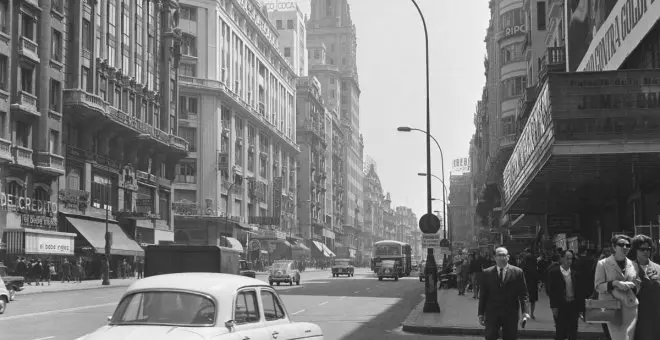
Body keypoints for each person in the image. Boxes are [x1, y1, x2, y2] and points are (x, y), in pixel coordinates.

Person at [478, 246, 531, 340]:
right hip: (492, 313)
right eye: (499, 255)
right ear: (494, 257)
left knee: (510, 337)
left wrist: (525, 312)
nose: (501, 258)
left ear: (508, 257)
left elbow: (523, 293)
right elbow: (483, 295)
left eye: (504, 255)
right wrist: (481, 313)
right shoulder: (487, 273)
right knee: (490, 337)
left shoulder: (518, 272)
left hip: (510, 313)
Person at [594, 234, 639, 340]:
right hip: (611, 307)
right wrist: (614, 283)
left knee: (628, 337)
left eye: (628, 245)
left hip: (630, 307)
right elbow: (598, 286)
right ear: (614, 247)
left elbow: (638, 285)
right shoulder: (603, 264)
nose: (625, 247)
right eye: (621, 244)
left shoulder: (634, 265)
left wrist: (633, 285)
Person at [547, 249, 585, 340]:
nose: (569, 261)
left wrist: (580, 309)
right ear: (561, 259)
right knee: (560, 331)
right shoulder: (554, 273)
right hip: (560, 306)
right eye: (567, 259)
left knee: (573, 331)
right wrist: (554, 306)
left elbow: (579, 292)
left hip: (573, 305)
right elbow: (550, 291)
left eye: (571, 259)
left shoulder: (575, 273)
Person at [629, 234, 660, 340]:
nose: (646, 252)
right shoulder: (629, 268)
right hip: (637, 314)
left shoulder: (657, 268)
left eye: (648, 249)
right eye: (642, 249)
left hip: (655, 314)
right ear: (635, 250)